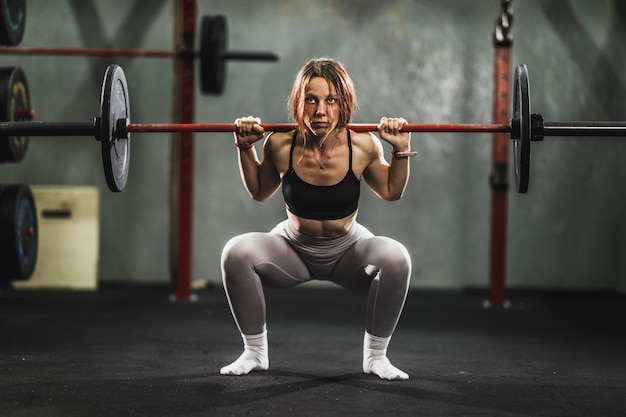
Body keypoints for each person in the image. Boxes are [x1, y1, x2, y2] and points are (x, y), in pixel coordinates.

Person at [219, 57, 414, 381]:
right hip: (293, 250)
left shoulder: (363, 145)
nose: (320, 111)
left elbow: (392, 191)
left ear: (344, 103)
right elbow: (258, 190)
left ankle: (376, 357)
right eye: (311, 99)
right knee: (235, 253)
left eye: (331, 100)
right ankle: (254, 352)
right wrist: (244, 147)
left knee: (397, 258)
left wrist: (401, 150)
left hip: (348, 250)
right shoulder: (281, 143)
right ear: (299, 102)